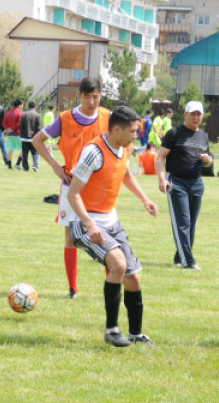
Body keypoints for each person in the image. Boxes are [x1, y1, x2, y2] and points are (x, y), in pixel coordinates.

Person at [66, 105, 159, 347]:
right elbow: (73, 194)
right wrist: (90, 225)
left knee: (133, 280)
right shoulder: (93, 153)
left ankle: (136, 335)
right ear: (116, 129)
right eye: (132, 132)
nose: (135, 136)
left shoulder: (124, 148)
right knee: (118, 265)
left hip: (111, 221)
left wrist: (145, 199)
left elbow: (125, 175)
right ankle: (111, 329)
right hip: (84, 222)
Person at [32, 76, 111, 299]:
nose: (92, 102)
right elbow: (38, 140)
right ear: (80, 96)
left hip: (98, 187)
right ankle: (73, 288)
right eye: (88, 97)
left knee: (104, 235)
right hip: (71, 184)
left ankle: (111, 285)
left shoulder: (108, 117)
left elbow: (123, 138)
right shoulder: (65, 119)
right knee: (70, 237)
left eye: (96, 97)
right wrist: (57, 167)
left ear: (100, 95)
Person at [156, 101, 213, 269]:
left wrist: (208, 160)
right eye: (193, 114)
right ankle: (188, 261)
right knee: (183, 222)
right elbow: (160, 157)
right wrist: (161, 179)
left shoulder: (203, 136)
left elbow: (209, 163)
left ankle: (179, 257)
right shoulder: (174, 133)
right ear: (185, 115)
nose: (196, 117)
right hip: (177, 182)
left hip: (196, 183)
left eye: (199, 114)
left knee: (192, 223)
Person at [19, 100, 43, 172]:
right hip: (33, 137)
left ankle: (25, 167)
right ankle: (35, 166)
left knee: (25, 153)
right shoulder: (37, 115)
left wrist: (22, 135)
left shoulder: (24, 114)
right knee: (35, 152)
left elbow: (21, 126)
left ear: (28, 106)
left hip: (24, 137)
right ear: (35, 106)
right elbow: (38, 127)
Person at [4, 99, 24, 169]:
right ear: (20, 105)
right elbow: (19, 124)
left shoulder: (8, 113)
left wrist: (7, 129)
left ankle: (9, 166)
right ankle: (18, 164)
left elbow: (4, 123)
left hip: (10, 135)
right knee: (24, 149)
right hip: (18, 134)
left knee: (10, 149)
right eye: (22, 104)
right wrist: (12, 129)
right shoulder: (20, 113)